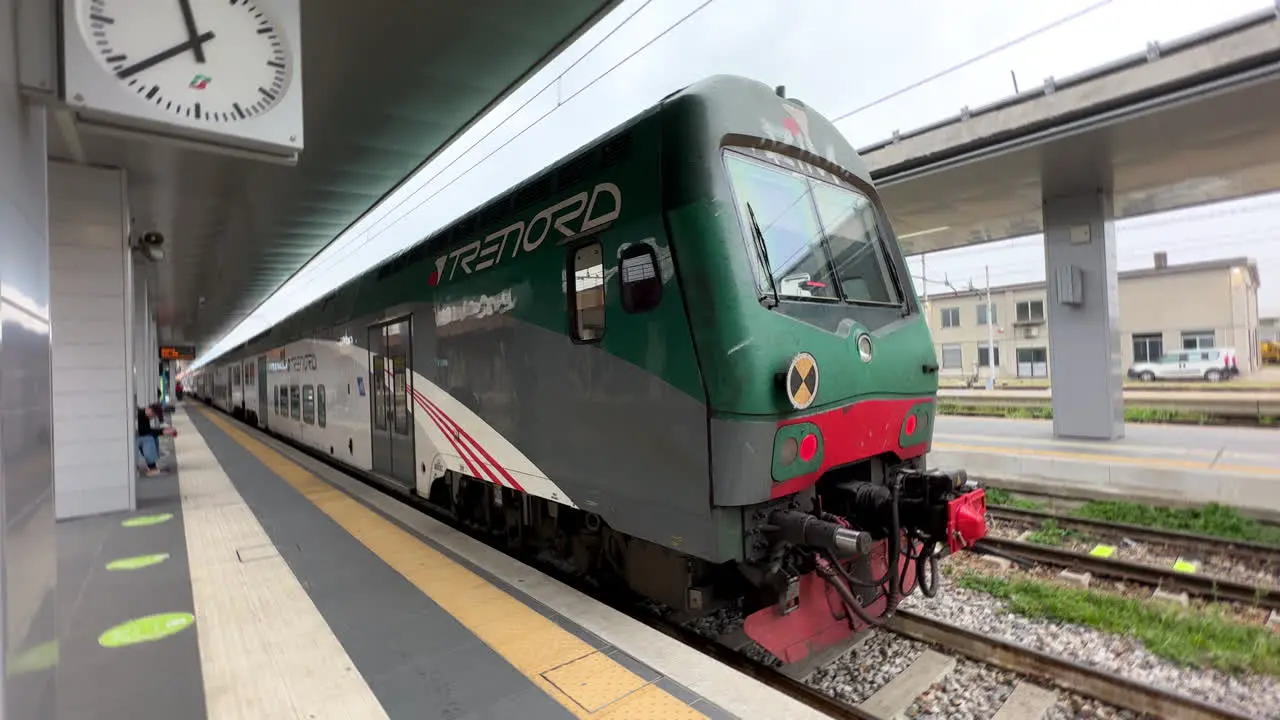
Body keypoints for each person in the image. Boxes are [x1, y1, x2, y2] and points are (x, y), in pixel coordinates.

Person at [137, 404, 176, 476]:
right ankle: (152, 468)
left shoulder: (143, 414)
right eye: (153, 415)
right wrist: (163, 431)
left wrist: (163, 430)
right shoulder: (139, 414)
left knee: (153, 437)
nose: (152, 417)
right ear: (149, 410)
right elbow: (144, 432)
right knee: (148, 439)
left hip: (135, 437)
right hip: (132, 438)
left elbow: (147, 430)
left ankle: (153, 464)